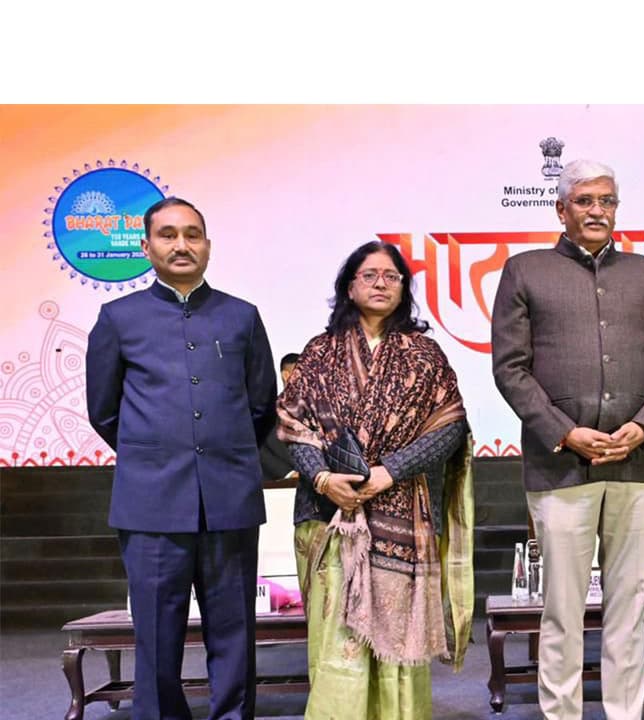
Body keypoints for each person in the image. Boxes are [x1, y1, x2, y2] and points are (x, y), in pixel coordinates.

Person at [491, 158, 644, 720]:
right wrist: (564, 432)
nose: (597, 210)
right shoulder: (524, 271)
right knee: (562, 608)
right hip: (561, 467)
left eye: (607, 201)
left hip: (635, 464)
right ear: (561, 209)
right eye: (585, 200)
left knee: (630, 607)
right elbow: (511, 368)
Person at [86, 196, 277, 720]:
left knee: (235, 630)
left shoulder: (241, 316)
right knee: (155, 635)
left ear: (208, 247)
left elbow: (262, 404)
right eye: (168, 235)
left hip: (229, 500)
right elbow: (104, 412)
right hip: (150, 505)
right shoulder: (119, 318)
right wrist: (155, 456)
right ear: (146, 247)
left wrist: (221, 456)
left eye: (192, 234)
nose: (181, 244)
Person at [276, 241, 474, 719]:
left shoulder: (425, 355)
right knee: (335, 641)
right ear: (350, 286)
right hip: (328, 516)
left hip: (401, 513)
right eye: (370, 275)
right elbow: (293, 423)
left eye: (392, 275)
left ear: (403, 288)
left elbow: (449, 425)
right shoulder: (320, 354)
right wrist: (324, 478)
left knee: (396, 648)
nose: (381, 282)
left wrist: (390, 471)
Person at [259, 352, 300, 482]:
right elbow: (258, 448)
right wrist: (289, 474)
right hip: (278, 491)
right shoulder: (265, 412)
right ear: (286, 376)